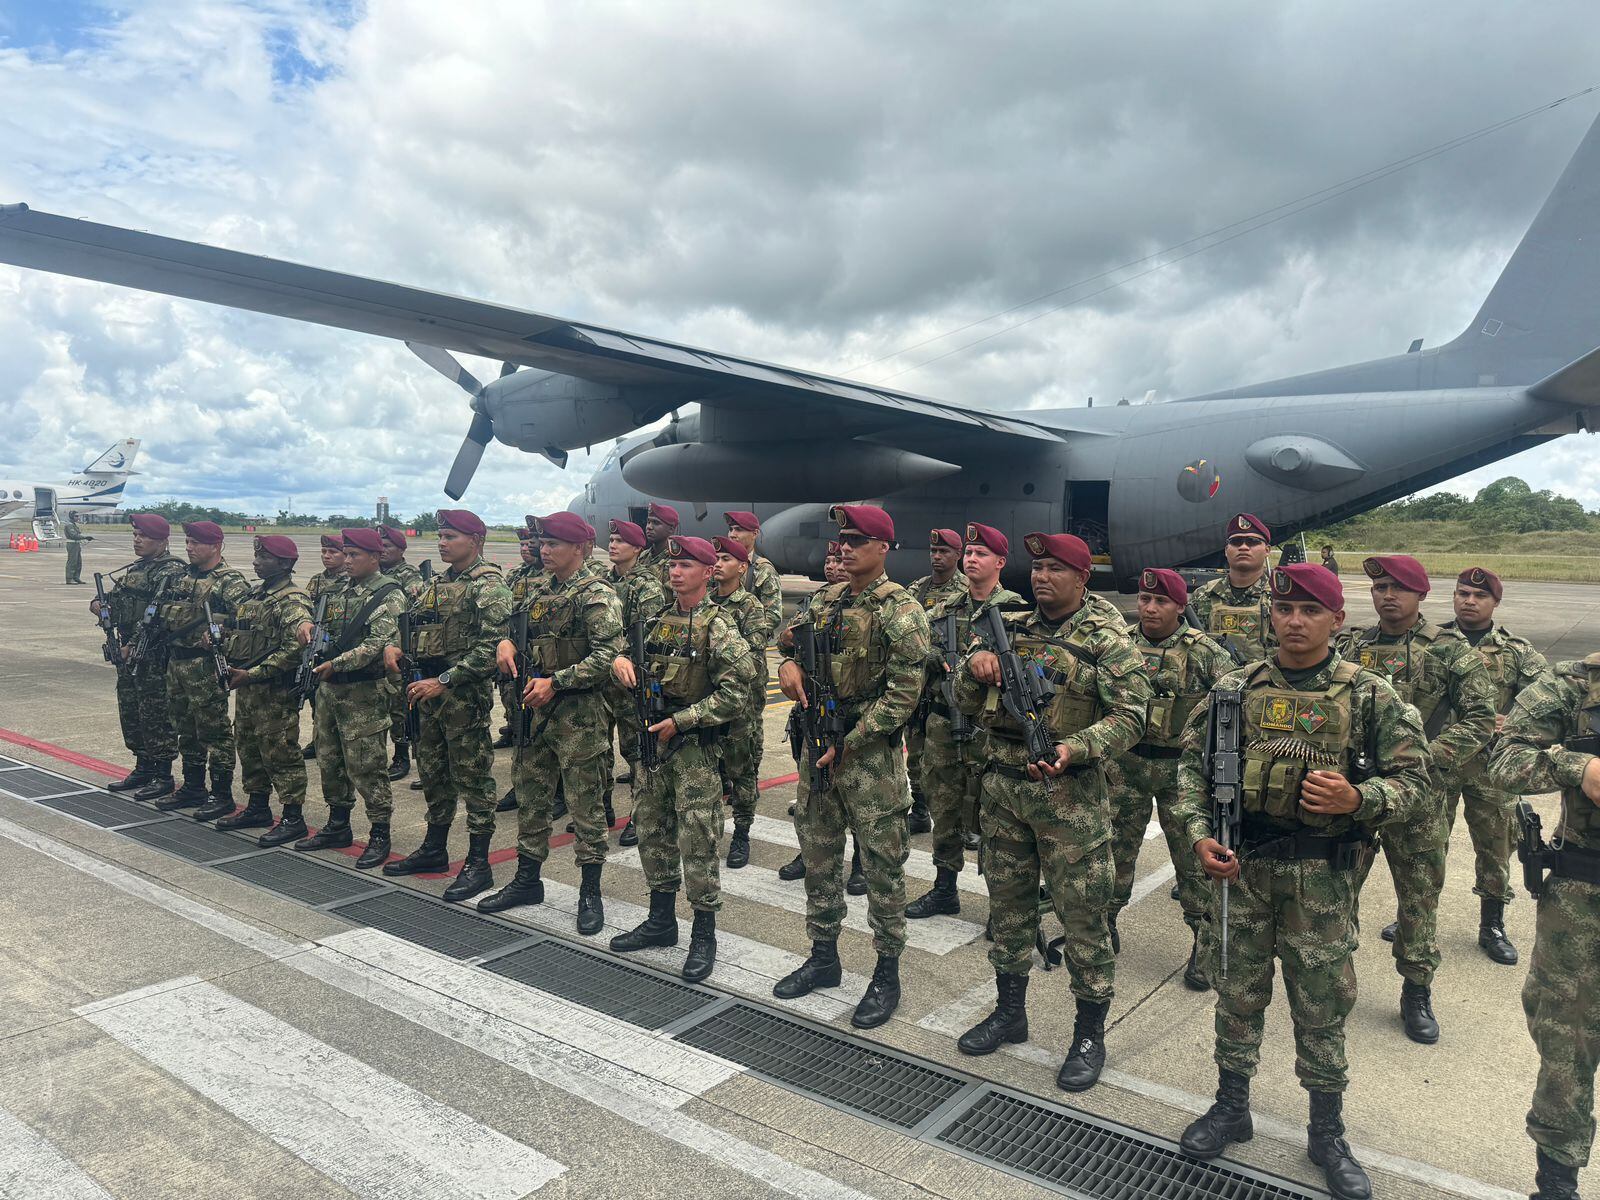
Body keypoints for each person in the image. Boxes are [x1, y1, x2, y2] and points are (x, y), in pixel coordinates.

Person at [1172, 562, 1431, 1198]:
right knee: (1237, 993)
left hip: (1322, 879)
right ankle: (1232, 1108)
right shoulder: (1234, 689)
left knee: (1321, 1005)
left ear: (1336, 621)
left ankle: (1326, 1133)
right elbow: (1189, 773)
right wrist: (1199, 834)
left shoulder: (1369, 695)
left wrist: (1359, 798)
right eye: (1284, 610)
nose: (1294, 621)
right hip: (1243, 872)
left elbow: (1418, 786)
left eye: (1310, 610)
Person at [951, 532, 1148, 1094]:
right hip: (1005, 793)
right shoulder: (1004, 625)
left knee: (1083, 920)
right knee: (1009, 910)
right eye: (1036, 567)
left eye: (1056, 568)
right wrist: (976, 669)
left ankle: (1089, 1035)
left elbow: (1132, 717)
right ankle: (1010, 1013)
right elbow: (960, 700)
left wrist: (1075, 748)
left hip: (1072, 803)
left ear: (1082, 579)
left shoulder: (1108, 639)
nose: (1041, 576)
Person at [775, 505, 931, 1028]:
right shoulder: (825, 600)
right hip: (817, 750)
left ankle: (887, 974)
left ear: (883, 548)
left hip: (868, 760)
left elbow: (903, 697)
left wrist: (852, 741)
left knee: (883, 870)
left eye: (858, 540)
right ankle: (824, 958)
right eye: (841, 538)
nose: (844, 547)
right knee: (819, 859)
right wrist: (788, 666)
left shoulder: (902, 611)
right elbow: (787, 641)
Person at [1340, 554, 1495, 1044]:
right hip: (1357, 795)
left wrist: (1425, 758)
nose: (1388, 595)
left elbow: (1481, 719)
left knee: (1418, 899)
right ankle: (1334, 979)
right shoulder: (1350, 646)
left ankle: (1416, 989)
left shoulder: (1450, 650)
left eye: (1399, 588)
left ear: (1421, 595)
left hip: (1420, 797)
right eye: (1380, 587)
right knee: (1339, 889)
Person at [609, 535, 756, 981]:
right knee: (652, 833)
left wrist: (686, 719)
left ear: (709, 573)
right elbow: (625, 657)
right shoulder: (654, 623)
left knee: (699, 841)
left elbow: (739, 691)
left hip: (692, 750)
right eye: (673, 565)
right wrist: (619, 661)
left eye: (688, 565)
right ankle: (661, 921)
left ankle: (704, 934)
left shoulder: (719, 626)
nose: (676, 572)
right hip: (654, 748)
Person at [477, 512, 623, 933]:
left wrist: (556, 683)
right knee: (532, 796)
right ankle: (527, 880)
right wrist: (506, 641)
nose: (544, 550)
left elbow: (606, 657)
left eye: (554, 544)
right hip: (535, 713)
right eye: (542, 543)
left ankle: (590, 892)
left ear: (578, 549)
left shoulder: (596, 595)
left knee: (585, 807)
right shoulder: (538, 590)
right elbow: (512, 627)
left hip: (578, 716)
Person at [1489, 654, 1600, 1200]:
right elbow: (1503, 759)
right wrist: (1578, 769)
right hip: (1585, 900)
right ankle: (1557, 1183)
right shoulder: (1577, 683)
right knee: (1565, 1040)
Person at [1106, 567, 1233, 988]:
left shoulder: (1205, 652)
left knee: (1192, 861)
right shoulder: (1120, 645)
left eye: (1161, 601)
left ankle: (1204, 942)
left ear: (1181, 606)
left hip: (1181, 770)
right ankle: (1105, 923)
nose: (1150, 608)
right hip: (1127, 765)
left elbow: (1232, 708)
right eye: (1144, 599)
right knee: (1115, 852)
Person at [382, 509, 513, 903]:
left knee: (473, 778)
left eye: (451, 536)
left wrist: (445, 681)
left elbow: (493, 647)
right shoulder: (437, 583)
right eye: (440, 536)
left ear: (475, 540)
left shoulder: (489, 585)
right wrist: (394, 644)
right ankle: (435, 847)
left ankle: (478, 863)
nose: (441, 542)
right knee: (435, 773)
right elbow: (413, 622)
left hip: (460, 695)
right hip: (426, 692)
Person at [906, 522, 1021, 919]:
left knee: (994, 814)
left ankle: (1001, 905)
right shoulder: (943, 609)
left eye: (980, 554)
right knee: (945, 806)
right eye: (968, 554)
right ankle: (944, 888)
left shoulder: (1015, 610)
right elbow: (917, 648)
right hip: (942, 723)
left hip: (992, 730)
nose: (971, 559)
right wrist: (934, 658)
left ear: (999, 562)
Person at [280, 528, 409, 863]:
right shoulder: (336, 592)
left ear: (375, 556)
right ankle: (338, 824)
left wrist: (335, 664)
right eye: (345, 554)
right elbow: (321, 626)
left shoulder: (389, 594)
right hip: (330, 692)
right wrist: (306, 627)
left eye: (354, 555)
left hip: (363, 693)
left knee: (367, 767)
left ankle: (380, 832)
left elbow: (377, 644)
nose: (347, 561)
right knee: (330, 761)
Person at [1443, 566, 1551, 965]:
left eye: (1478, 596)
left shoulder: (1515, 650)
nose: (1468, 601)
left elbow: (1548, 695)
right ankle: (1414, 916)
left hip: (1491, 766)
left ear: (1494, 603)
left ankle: (1492, 924)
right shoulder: (1432, 642)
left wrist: (1518, 722)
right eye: (1461, 594)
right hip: (1442, 761)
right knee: (1425, 843)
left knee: (1495, 846)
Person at [216, 536, 313, 833]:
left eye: (265, 558)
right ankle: (258, 807)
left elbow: (295, 649)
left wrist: (255, 673)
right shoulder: (253, 596)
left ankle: (293, 817)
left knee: (281, 753)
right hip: (247, 689)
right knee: (249, 748)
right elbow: (239, 633)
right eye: (256, 556)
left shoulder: (292, 600)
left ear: (284, 564)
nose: (256, 562)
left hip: (274, 691)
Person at [156, 521, 251, 816]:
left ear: (215, 546)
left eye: (196, 543)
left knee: (215, 731)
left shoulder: (230, 581)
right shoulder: (183, 577)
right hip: (177, 663)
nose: (189, 548)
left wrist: (221, 633)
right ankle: (194, 787)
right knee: (185, 728)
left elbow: (248, 621)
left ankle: (221, 794)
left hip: (205, 665)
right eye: (187, 542)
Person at [94, 513, 186, 800]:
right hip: (128, 654)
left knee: (156, 714)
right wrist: (98, 605)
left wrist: (133, 646)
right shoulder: (136, 569)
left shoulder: (170, 572)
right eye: (135, 535)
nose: (137, 540)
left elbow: (159, 617)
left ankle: (163, 774)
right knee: (132, 712)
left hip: (154, 655)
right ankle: (143, 766)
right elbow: (115, 600)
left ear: (162, 540)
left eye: (143, 536)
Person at [777, 537, 849, 884]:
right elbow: (783, 640)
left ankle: (862, 863)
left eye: (839, 560)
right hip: (813, 708)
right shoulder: (814, 601)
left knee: (854, 798)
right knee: (810, 794)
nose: (833, 566)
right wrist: (787, 646)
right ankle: (808, 852)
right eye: (829, 561)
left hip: (848, 712)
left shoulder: (866, 606)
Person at [709, 535, 776, 868]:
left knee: (741, 767)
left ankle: (742, 832)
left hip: (740, 703)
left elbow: (750, 654)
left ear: (742, 566)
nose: (718, 563)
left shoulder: (750, 606)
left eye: (725, 558)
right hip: (708, 700)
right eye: (715, 558)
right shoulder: (705, 602)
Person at [603, 519, 665, 845]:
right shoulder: (602, 583)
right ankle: (603, 809)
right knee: (600, 749)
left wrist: (621, 657)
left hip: (629, 682)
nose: (612, 545)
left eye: (619, 541)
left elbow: (649, 637)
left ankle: (641, 814)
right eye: (611, 540)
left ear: (637, 549)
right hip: (601, 680)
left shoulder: (647, 587)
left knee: (635, 751)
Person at [905, 530, 971, 835]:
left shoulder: (967, 591)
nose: (936, 556)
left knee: (962, 759)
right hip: (921, 689)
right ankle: (919, 810)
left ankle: (969, 820)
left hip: (955, 692)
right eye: (933, 550)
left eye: (944, 551)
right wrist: (927, 653)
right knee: (916, 754)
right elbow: (906, 633)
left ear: (958, 555)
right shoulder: (916, 589)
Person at [1189, 513, 1275, 663]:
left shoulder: (1278, 598)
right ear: (1226, 550)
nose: (1243, 547)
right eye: (1236, 542)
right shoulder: (1202, 595)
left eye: (1252, 541)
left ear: (1267, 550)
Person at [378, 524, 424, 778]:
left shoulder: (407, 574)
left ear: (401, 549)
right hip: (377, 647)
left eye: (387, 546)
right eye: (380, 546)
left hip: (399, 648)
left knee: (399, 706)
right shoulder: (373, 573)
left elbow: (417, 593)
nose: (382, 550)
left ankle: (402, 755)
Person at [495, 525, 545, 755]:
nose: (528, 547)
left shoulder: (551, 578)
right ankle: (514, 730)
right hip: (516, 645)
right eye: (523, 544)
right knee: (512, 695)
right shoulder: (517, 575)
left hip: (540, 651)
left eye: (531, 542)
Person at [303, 534, 348, 762]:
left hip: (338, 643)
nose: (327, 556)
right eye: (324, 552)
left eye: (333, 552)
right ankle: (318, 739)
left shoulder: (351, 580)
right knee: (314, 695)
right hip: (317, 642)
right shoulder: (317, 581)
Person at [723, 510, 782, 634]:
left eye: (738, 530)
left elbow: (773, 615)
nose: (732, 534)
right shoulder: (719, 565)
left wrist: (746, 633)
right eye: (730, 529)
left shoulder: (764, 570)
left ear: (754, 534)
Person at [639, 501, 679, 587]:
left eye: (656, 523)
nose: (649, 527)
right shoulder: (643, 556)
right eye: (648, 522)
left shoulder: (677, 559)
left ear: (671, 529)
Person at [63, 512, 91, 585]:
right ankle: (69, 579)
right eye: (76, 516)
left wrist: (86, 538)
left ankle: (76, 577)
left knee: (78, 562)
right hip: (72, 544)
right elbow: (73, 535)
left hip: (76, 544)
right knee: (72, 562)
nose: (78, 518)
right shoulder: (69, 525)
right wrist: (85, 537)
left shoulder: (73, 525)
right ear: (72, 516)